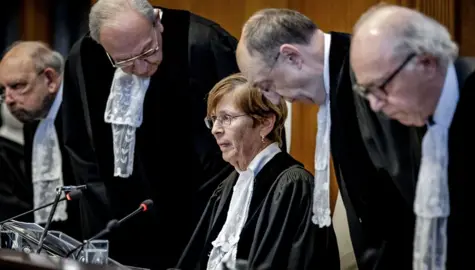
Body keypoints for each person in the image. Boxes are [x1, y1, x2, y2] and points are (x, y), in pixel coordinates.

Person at [62, 0, 244, 269]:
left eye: (148, 51)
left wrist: (209, 207)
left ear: (157, 22)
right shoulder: (84, 57)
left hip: (196, 214)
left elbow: (244, 132)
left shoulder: (202, 43)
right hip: (119, 222)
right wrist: (104, 205)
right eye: (123, 61)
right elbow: (79, 144)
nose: (141, 68)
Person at [235, 8, 419, 269]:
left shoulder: (375, 76)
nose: (275, 99)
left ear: (292, 57)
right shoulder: (340, 77)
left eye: (267, 85)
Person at [350, 4, 475, 269]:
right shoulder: (415, 112)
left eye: (381, 87)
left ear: (426, 63)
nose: (375, 106)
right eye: (366, 92)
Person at [176, 73, 339, 270]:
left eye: (226, 118)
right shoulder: (229, 187)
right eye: (213, 120)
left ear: (265, 123)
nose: (215, 130)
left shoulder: (294, 186)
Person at [0, 41, 81, 239]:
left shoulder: (80, 114)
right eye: (3, 90)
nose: (8, 99)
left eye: (18, 86)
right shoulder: (32, 120)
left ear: (50, 79)